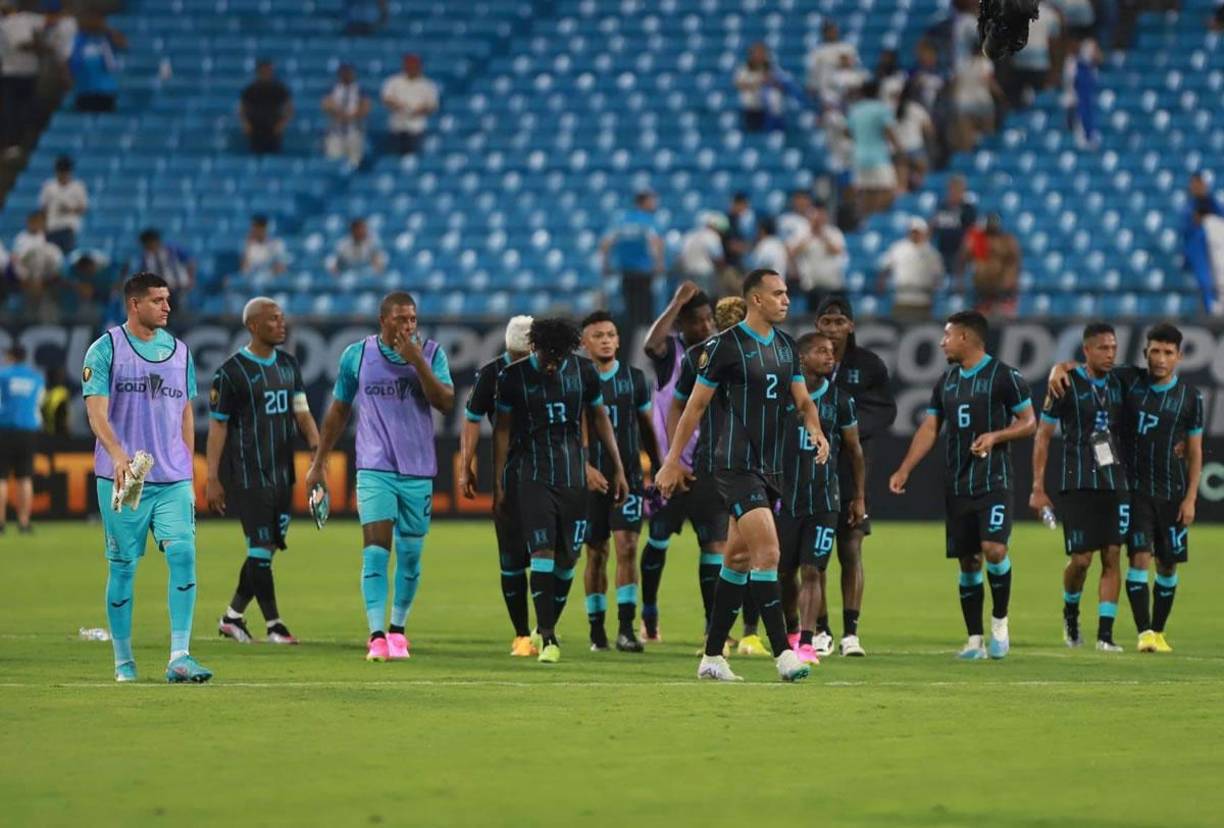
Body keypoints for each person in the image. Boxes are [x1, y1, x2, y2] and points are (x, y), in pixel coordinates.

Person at [655, 269, 831, 683]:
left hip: (771, 469)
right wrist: (672, 459)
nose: (787, 300)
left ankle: (713, 657)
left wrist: (817, 429)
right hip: (732, 465)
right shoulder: (723, 347)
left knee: (735, 558)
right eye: (779, 294)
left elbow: (803, 401)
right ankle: (784, 655)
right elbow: (694, 407)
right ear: (756, 300)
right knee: (768, 553)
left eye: (787, 292)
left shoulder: (788, 348)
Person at [304, 292, 454, 662]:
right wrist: (320, 460)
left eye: (413, 319)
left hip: (418, 469)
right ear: (383, 320)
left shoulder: (432, 353)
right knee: (375, 550)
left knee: (410, 556)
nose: (408, 326)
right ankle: (376, 636)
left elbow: (446, 402)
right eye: (401, 319)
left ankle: (398, 631)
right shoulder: (357, 355)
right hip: (374, 468)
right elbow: (338, 411)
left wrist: (417, 362)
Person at [81, 272, 212, 683]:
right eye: (158, 300)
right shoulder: (105, 350)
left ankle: (180, 656)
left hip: (171, 479)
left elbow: (186, 411)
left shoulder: (181, 352)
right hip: (121, 480)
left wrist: (186, 463)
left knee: (183, 554)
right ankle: (123, 662)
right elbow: (96, 412)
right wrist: (119, 456)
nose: (167, 306)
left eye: (168, 299)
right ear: (134, 304)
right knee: (122, 568)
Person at [888, 310, 1036, 660]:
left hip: (994, 480)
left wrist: (996, 436)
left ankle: (999, 622)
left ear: (966, 338)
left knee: (994, 549)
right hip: (958, 482)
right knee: (968, 562)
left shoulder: (1004, 376)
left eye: (947, 336)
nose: (942, 342)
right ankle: (974, 640)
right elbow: (929, 428)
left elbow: (1029, 421)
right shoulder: (947, 381)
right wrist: (905, 468)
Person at [1047, 323, 1203, 653]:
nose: (1160, 359)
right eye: (1155, 351)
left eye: (1168, 352)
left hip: (1171, 491)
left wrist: (1190, 498)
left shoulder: (1191, 397)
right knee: (1130, 559)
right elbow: (1086, 368)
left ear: (1179, 356)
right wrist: (1058, 367)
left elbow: (1195, 450)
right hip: (1131, 489)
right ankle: (1140, 632)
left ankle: (1154, 632)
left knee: (1167, 564)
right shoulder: (1128, 380)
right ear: (1145, 353)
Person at [492, 318, 628, 665]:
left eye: (559, 355)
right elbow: (503, 431)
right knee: (542, 551)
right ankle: (548, 636)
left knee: (568, 560)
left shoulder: (583, 373)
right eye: (547, 355)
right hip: (533, 475)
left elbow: (599, 418)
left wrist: (619, 466)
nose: (552, 363)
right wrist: (499, 479)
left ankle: (545, 624)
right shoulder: (513, 377)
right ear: (534, 347)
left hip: (572, 477)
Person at [207, 298, 320, 646]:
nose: (281, 324)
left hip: (282, 473)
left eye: (282, 318)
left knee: (266, 550)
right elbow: (218, 427)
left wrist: (318, 450)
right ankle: (275, 625)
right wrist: (212, 477)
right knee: (259, 549)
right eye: (273, 319)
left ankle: (232, 617)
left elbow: (302, 413)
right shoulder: (230, 373)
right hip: (249, 474)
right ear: (253, 326)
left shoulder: (288, 365)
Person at [670, 296, 767, 655]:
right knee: (716, 547)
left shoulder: (767, 355)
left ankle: (750, 632)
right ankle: (720, 633)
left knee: (755, 547)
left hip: (753, 463)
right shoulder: (701, 356)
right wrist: (676, 457)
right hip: (712, 462)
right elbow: (682, 404)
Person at [1030, 322, 1126, 652]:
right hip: (1077, 481)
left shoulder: (1122, 383)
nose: (1110, 354)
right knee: (1082, 560)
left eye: (1113, 348)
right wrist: (1037, 487)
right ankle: (1070, 614)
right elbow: (1043, 435)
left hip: (1114, 480)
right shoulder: (1064, 384)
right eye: (1103, 348)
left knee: (1113, 554)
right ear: (1086, 350)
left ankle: (1105, 635)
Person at [813, 296, 897, 657]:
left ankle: (851, 633)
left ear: (851, 326)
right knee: (813, 555)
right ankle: (820, 630)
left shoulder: (869, 366)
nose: (832, 329)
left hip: (851, 468)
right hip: (812, 470)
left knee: (850, 547)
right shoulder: (806, 361)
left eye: (838, 322)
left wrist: (845, 428)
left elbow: (885, 411)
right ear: (817, 326)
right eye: (826, 322)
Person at [777, 332, 864, 665]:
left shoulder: (841, 401)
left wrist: (858, 498)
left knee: (813, 571)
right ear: (802, 359)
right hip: (785, 499)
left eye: (832, 351)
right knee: (785, 573)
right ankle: (793, 631)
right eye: (821, 351)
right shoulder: (783, 398)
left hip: (824, 500)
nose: (830, 356)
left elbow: (854, 451)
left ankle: (808, 643)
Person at [640, 282, 716, 642]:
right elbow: (649, 344)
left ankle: (712, 626)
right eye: (697, 320)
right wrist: (676, 301)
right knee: (657, 540)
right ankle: (649, 614)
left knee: (714, 544)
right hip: (670, 467)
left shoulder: (720, 353)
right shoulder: (672, 351)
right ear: (681, 324)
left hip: (708, 469)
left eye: (709, 319)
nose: (705, 326)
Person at [580, 311, 659, 653]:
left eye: (611, 334)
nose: (607, 340)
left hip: (626, 476)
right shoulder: (576, 381)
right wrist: (583, 467)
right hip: (589, 480)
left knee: (627, 546)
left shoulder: (635, 379)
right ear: (585, 343)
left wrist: (658, 466)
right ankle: (597, 630)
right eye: (598, 335)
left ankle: (627, 628)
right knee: (596, 553)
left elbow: (645, 426)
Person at [458, 315, 536, 656]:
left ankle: (545, 627)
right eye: (516, 356)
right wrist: (466, 465)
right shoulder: (492, 374)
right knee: (512, 555)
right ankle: (522, 633)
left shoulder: (547, 368)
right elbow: (472, 419)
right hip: (510, 473)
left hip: (549, 472)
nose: (522, 361)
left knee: (556, 554)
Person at [599, 190, 665, 333]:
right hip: (644, 271)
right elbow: (656, 243)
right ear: (643, 202)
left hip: (625, 271)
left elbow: (605, 243)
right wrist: (659, 264)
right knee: (645, 309)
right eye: (651, 200)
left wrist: (605, 264)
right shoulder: (648, 220)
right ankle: (644, 340)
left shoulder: (621, 220)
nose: (654, 204)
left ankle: (630, 337)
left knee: (630, 308)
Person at [0, 345, 44, 534]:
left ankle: (1, 524)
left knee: (1, 478)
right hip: (28, 431)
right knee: (25, 478)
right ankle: (24, 523)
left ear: (10, 356)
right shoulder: (36, 377)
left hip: (5, 429)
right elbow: (39, 403)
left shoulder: (3, 375)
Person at [847, 80, 899, 217]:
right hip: (878, 156)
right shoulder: (881, 109)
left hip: (859, 156)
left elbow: (847, 132)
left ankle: (866, 222)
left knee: (865, 191)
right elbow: (889, 130)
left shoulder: (855, 109)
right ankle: (876, 219)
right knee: (888, 189)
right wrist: (899, 148)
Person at [878, 217, 944, 320]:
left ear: (924, 233)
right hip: (902, 299)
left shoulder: (931, 253)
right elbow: (885, 267)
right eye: (913, 231)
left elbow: (938, 275)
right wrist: (882, 281)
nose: (914, 234)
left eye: (917, 232)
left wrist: (933, 291)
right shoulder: (898, 248)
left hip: (923, 300)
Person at [787, 201, 847, 312]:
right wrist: (809, 235)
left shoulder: (833, 232)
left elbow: (837, 250)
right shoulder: (802, 232)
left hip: (831, 284)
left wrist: (822, 235)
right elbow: (791, 251)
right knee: (811, 317)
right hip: (810, 284)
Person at [0, 0, 42, 156]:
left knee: (24, 109)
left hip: (26, 72)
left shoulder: (25, 19)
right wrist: (42, 47)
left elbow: (46, 22)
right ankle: (12, 144)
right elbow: (22, 45)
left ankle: (21, 143)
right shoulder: (6, 23)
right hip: (11, 72)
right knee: (12, 111)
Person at [67, 11, 124, 113]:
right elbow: (70, 63)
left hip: (106, 91)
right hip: (83, 91)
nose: (93, 23)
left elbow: (122, 45)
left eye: (96, 20)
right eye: (90, 20)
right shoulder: (77, 40)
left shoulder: (106, 39)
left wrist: (107, 31)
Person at [381, 54, 438, 155]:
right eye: (409, 65)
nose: (411, 68)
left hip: (416, 129)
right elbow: (386, 98)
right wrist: (399, 106)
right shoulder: (394, 81)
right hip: (396, 127)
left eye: (414, 65)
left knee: (414, 157)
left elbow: (432, 106)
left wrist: (419, 111)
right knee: (394, 156)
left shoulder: (428, 84)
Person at [968, 214, 1022, 318]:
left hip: (1002, 287)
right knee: (982, 319)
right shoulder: (978, 239)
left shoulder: (1007, 240)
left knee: (1004, 317)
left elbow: (1014, 261)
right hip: (983, 287)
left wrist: (1011, 278)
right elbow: (964, 257)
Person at [321, 63, 370, 168]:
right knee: (333, 161)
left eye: (349, 73)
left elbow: (366, 107)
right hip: (336, 131)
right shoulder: (333, 89)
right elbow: (325, 105)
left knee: (354, 162)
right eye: (344, 73)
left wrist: (352, 116)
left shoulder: (360, 90)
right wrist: (339, 113)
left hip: (354, 130)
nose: (346, 75)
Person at [240, 60, 293, 155]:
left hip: (273, 129)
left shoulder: (279, 88)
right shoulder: (251, 89)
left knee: (273, 156)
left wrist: (282, 124)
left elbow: (289, 108)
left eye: (268, 70)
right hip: (255, 129)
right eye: (263, 71)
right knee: (255, 155)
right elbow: (242, 108)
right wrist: (245, 124)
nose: (266, 73)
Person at [132, 228, 194, 305]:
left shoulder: (173, 250)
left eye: (148, 245)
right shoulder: (145, 258)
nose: (147, 248)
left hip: (179, 287)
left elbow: (190, 262)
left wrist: (191, 279)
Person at [930, 175, 977, 276]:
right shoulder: (941, 207)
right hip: (942, 250)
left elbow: (972, 232)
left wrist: (964, 251)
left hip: (960, 253)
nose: (954, 192)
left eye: (958, 189)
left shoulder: (967, 209)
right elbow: (933, 227)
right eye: (952, 188)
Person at [39, 155, 87, 253]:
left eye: (65, 172)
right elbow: (43, 208)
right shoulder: (49, 186)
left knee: (67, 254)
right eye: (60, 172)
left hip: (68, 227)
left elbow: (83, 209)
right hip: (51, 227)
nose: (62, 175)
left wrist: (69, 209)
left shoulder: (78, 186)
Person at [676, 211, 727, 296]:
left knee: (689, 300)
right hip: (704, 273)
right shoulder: (711, 236)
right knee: (703, 301)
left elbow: (680, 257)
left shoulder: (689, 235)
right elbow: (718, 257)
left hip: (687, 273)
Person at [734, 42, 775, 132]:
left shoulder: (770, 69)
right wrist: (757, 83)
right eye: (757, 53)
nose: (760, 56)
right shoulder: (744, 68)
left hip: (767, 109)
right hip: (750, 108)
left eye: (762, 53)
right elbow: (738, 84)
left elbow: (775, 83)